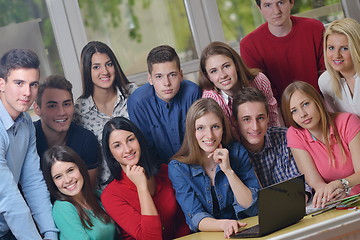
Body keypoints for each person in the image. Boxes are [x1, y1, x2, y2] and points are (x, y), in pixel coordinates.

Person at [168, 98, 260, 238]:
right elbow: (195, 217)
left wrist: (228, 171)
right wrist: (225, 225)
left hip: (245, 229)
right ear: (192, 132)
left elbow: (252, 206)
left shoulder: (236, 152)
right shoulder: (178, 168)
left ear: (223, 128)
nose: (209, 135)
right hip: (208, 236)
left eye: (215, 127)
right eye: (200, 128)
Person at [0, 49, 58, 239]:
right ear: (1, 84)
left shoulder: (26, 123)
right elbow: (8, 195)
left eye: (33, 84)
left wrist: (49, 233)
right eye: (19, 83)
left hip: (7, 227)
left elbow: (32, 180)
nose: (27, 93)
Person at [101, 117, 189, 240]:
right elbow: (150, 238)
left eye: (130, 139)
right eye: (117, 146)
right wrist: (142, 187)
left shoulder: (165, 171)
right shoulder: (111, 195)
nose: (128, 149)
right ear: (111, 153)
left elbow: (185, 219)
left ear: (139, 140)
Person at [281, 81, 360, 208]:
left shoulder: (348, 122)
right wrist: (330, 193)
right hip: (334, 203)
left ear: (318, 101)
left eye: (306, 104)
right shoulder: (295, 134)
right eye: (294, 111)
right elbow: (314, 182)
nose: (302, 114)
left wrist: (340, 184)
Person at [73, 41, 137, 188]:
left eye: (109, 64)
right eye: (96, 67)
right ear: (87, 71)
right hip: (106, 190)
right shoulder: (79, 111)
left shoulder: (133, 94)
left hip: (141, 178)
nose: (105, 72)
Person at [128, 45, 202, 164]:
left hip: (195, 163)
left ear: (181, 75)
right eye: (159, 76)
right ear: (150, 79)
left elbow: (201, 137)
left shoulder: (193, 93)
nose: (166, 83)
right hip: (159, 170)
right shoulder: (138, 102)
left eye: (172, 75)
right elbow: (145, 148)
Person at [232, 87, 311, 197]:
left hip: (301, 206)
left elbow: (304, 181)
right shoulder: (234, 155)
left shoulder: (285, 137)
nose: (255, 127)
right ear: (235, 121)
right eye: (246, 119)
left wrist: (302, 196)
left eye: (260, 118)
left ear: (268, 118)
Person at [240, 0, 325, 102]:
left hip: (320, 103)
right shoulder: (249, 45)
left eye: (281, 3)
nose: (276, 11)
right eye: (268, 5)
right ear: (260, 9)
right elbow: (260, 93)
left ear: (291, 2)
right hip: (278, 111)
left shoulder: (315, 28)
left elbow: (327, 75)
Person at [33, 75, 99, 187]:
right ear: (37, 109)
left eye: (67, 104)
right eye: (52, 106)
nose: (62, 112)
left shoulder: (86, 139)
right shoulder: (27, 138)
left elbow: (88, 192)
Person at [199, 41, 279, 131]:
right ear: (208, 76)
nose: (223, 75)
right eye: (214, 71)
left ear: (236, 65)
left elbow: (272, 119)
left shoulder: (259, 81)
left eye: (226, 66)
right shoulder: (211, 100)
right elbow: (225, 136)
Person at [41, 145, 116, 240]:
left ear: (80, 168)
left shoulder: (98, 196)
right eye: (58, 177)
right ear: (53, 182)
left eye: (70, 170)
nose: (67, 180)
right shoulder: (62, 208)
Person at [318, 18, 360, 116]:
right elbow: (343, 121)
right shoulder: (325, 81)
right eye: (331, 48)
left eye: (344, 48)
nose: (336, 55)